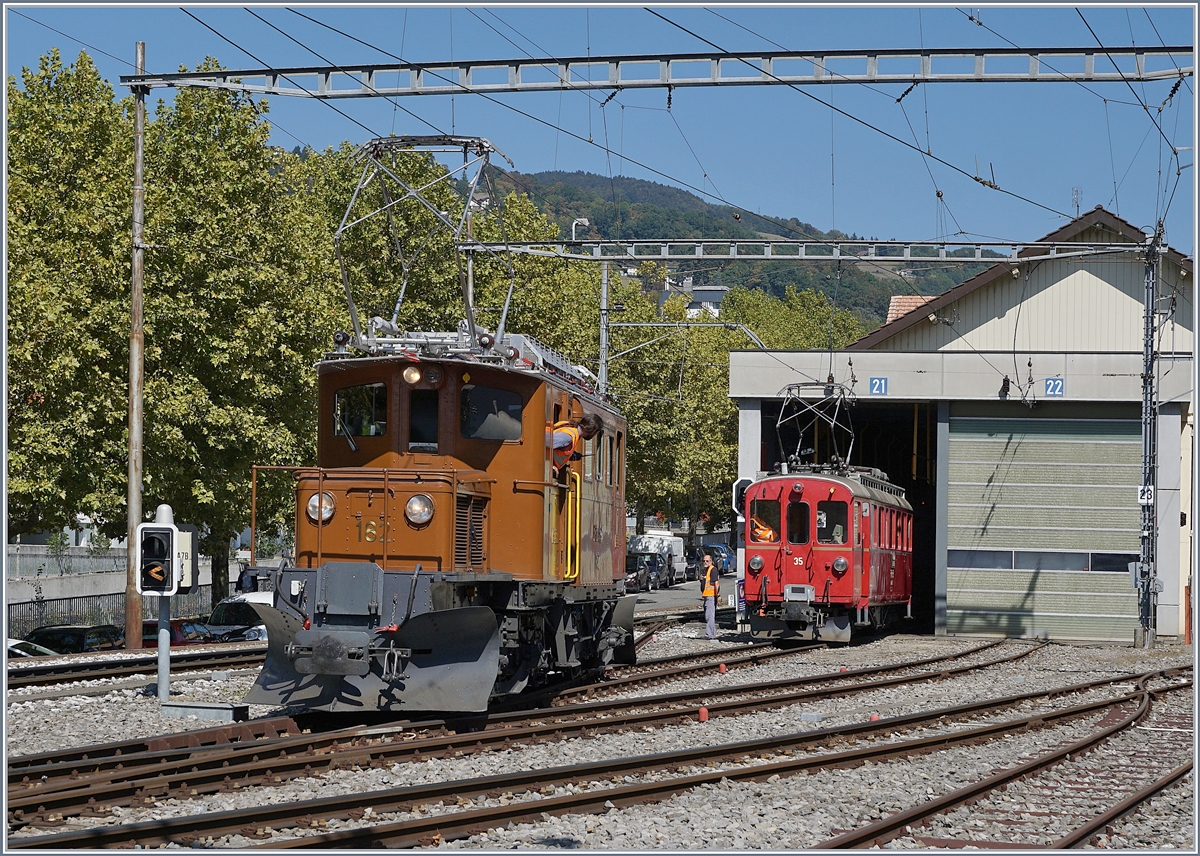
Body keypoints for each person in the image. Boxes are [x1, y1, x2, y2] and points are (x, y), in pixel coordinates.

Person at [551, 413, 604, 478]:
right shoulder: (568, 437)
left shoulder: (570, 427)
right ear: (593, 431)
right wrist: (550, 466)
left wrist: (571, 455)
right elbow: (538, 443)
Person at [701, 553, 721, 640]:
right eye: (704, 561)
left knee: (709, 615)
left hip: (711, 595)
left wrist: (718, 595)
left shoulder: (713, 570)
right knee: (707, 615)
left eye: (707, 561)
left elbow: (716, 583)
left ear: (711, 561)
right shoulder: (707, 570)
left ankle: (710, 635)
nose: (705, 562)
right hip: (707, 595)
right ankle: (710, 634)